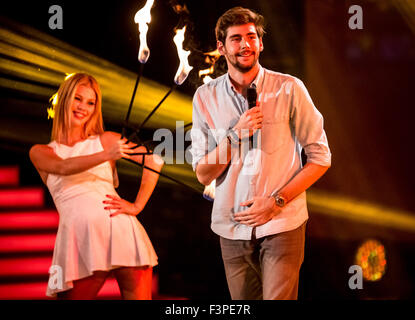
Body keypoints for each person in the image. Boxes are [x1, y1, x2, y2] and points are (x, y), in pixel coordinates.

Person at [190, 7, 331, 300]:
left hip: (282, 224)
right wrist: (235, 135)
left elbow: (320, 157)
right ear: (221, 47)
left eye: (252, 37)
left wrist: (276, 201)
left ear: (261, 43)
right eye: (236, 38)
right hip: (231, 227)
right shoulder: (205, 97)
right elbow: (203, 173)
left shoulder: (289, 89)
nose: (246, 45)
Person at [29, 73, 163, 299]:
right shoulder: (41, 151)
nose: (83, 107)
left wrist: (137, 205)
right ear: (63, 99)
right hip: (78, 239)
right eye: (78, 99)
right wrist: (106, 155)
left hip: (120, 228)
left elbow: (154, 159)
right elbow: (63, 167)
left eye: (91, 103)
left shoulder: (106, 140)